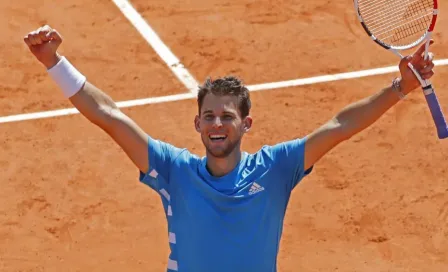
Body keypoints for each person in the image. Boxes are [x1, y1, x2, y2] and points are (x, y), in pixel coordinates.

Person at [24, 25, 436, 272]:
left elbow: (339, 126)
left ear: (246, 124)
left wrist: (400, 88)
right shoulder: (174, 170)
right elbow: (110, 116)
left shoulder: (276, 168)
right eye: (209, 116)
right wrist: (54, 63)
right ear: (197, 124)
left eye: (227, 117)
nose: (217, 124)